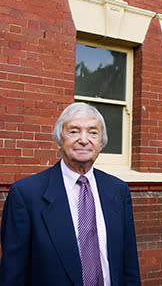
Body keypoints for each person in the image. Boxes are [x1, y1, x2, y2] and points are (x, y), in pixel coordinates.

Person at [0, 102, 141, 286]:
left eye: (93, 132)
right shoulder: (26, 194)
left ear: (101, 143)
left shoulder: (118, 190)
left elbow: (129, 265)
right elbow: (13, 274)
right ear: (59, 139)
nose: (84, 139)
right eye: (73, 131)